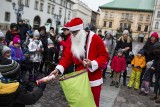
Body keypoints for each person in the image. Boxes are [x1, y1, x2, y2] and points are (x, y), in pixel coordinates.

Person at [50, 17, 108, 107]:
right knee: (77, 103)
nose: (73, 35)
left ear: (81, 30)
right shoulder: (72, 39)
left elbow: (104, 56)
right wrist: (58, 69)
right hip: (78, 78)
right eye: (72, 32)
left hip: (93, 79)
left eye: (75, 32)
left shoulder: (95, 38)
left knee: (92, 104)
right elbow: (67, 57)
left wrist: (92, 63)